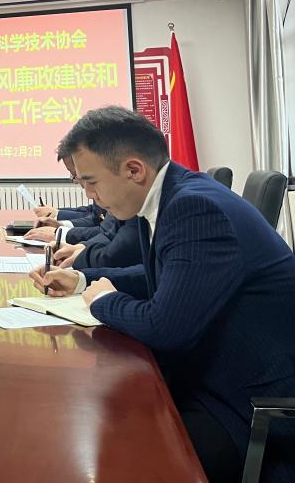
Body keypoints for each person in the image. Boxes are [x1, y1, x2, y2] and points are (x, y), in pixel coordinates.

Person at [31, 107, 295, 483]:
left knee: (121, 455)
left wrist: (104, 302)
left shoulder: (193, 207)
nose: (89, 196)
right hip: (210, 374)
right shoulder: (171, 194)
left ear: (133, 170)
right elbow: (171, 276)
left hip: (245, 401)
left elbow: (166, 327)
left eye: (90, 182)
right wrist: (82, 280)